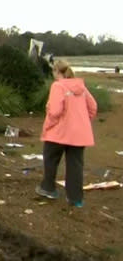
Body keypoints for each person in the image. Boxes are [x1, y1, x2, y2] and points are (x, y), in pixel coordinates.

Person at [36, 60, 97, 208]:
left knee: (50, 158)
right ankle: (76, 199)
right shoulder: (81, 87)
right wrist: (82, 121)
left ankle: (48, 188)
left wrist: (48, 126)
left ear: (57, 71)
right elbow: (93, 107)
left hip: (59, 132)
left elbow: (55, 111)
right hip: (79, 134)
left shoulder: (58, 86)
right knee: (75, 165)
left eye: (53, 72)